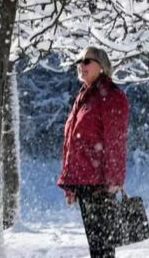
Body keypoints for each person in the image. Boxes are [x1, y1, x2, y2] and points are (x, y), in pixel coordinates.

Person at [58, 46, 130, 258]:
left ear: (102, 66)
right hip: (84, 183)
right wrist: (70, 185)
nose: (82, 65)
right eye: (80, 60)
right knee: (97, 246)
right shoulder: (84, 98)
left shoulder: (111, 97)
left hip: (100, 185)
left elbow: (115, 142)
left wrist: (115, 179)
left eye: (88, 61)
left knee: (103, 248)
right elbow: (72, 142)